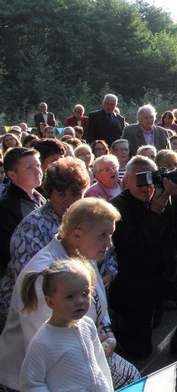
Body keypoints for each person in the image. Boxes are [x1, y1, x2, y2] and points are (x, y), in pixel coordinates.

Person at [0, 198, 140, 390]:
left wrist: (107, 333)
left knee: (132, 377)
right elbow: (51, 348)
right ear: (76, 234)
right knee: (130, 379)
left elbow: (99, 302)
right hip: (43, 373)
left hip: (83, 348)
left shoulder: (82, 254)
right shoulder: (46, 275)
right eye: (103, 235)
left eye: (111, 235)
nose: (109, 243)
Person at [108, 156, 177, 362]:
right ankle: (121, 324)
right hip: (134, 282)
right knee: (140, 352)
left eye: (150, 179)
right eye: (140, 180)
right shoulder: (117, 207)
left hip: (164, 272)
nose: (147, 187)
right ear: (126, 181)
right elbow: (135, 246)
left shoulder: (163, 197)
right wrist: (154, 213)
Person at [0, 157, 91, 327]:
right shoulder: (31, 228)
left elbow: (107, 252)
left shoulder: (85, 218)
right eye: (61, 194)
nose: (70, 201)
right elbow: (31, 284)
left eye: (75, 194)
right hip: (32, 313)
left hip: (75, 304)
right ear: (50, 194)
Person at [18, 257, 114, 391]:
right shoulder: (43, 342)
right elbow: (30, 383)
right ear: (51, 302)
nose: (80, 301)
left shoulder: (88, 325)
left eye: (84, 293)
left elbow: (100, 363)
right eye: (70, 296)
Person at [0, 147, 45, 279]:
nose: (38, 171)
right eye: (29, 168)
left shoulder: (39, 197)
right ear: (12, 175)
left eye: (38, 165)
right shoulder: (6, 207)